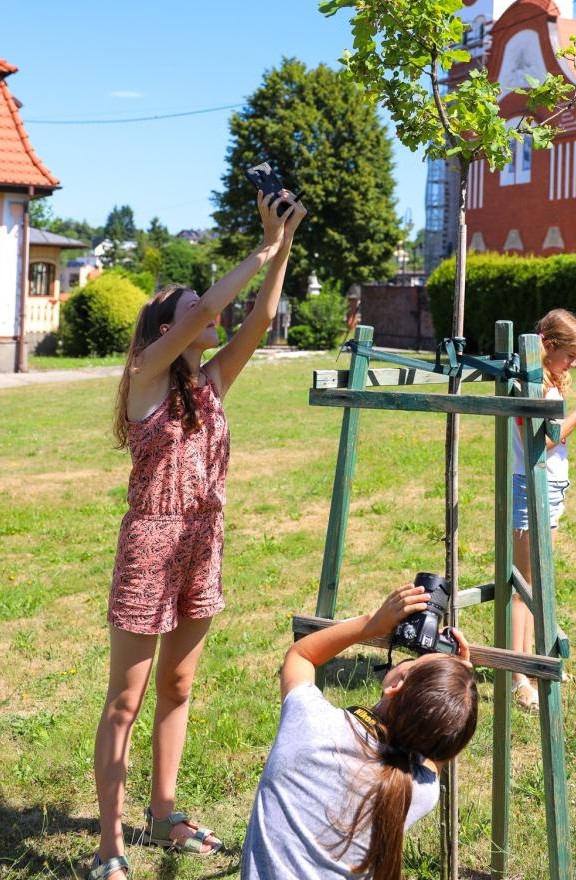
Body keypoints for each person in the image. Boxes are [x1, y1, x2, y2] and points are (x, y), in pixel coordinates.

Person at [89, 188, 305, 880]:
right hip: (152, 548)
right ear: (163, 331)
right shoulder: (146, 376)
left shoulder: (209, 382)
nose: (208, 317)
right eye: (188, 311)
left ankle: (163, 812)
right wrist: (260, 249)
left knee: (178, 684)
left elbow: (262, 315)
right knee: (126, 698)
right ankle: (109, 847)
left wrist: (284, 249)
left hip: (201, 546)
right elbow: (213, 308)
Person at [241, 581, 479, 880]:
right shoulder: (417, 791)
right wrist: (459, 681)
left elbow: (300, 656)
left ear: (394, 685)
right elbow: (436, 753)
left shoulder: (311, 725)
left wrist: (370, 623)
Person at [511, 308, 576, 711]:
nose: (572, 363)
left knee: (537, 580)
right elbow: (543, 442)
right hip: (528, 486)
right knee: (523, 587)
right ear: (547, 346)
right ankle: (518, 677)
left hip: (548, 485)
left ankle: (533, 662)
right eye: (569, 354)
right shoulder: (528, 384)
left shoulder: (544, 380)